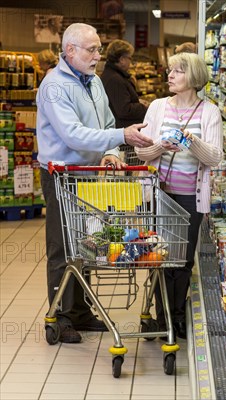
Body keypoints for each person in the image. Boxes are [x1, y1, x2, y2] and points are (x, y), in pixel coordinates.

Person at [36, 22, 154, 343]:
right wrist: (122, 136)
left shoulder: (95, 83)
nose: (98, 55)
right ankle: (60, 318)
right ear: (70, 50)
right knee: (63, 248)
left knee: (86, 244)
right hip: (61, 175)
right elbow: (72, 134)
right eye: (92, 49)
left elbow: (107, 123)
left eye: (100, 49)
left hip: (89, 176)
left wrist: (112, 151)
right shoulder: (54, 87)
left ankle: (81, 312)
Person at [135, 52, 223, 339]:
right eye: (170, 70)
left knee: (182, 260)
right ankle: (163, 320)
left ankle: (177, 317)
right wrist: (161, 145)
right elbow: (141, 151)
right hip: (159, 195)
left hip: (190, 198)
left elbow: (214, 157)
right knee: (159, 258)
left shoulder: (209, 112)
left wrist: (192, 142)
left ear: (194, 77)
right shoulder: (158, 108)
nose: (169, 75)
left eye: (177, 71)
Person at [101, 39, 148, 128]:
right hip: (123, 133)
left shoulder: (112, 75)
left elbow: (119, 101)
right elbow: (124, 110)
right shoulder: (114, 79)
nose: (131, 62)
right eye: (130, 58)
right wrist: (142, 106)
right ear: (122, 59)